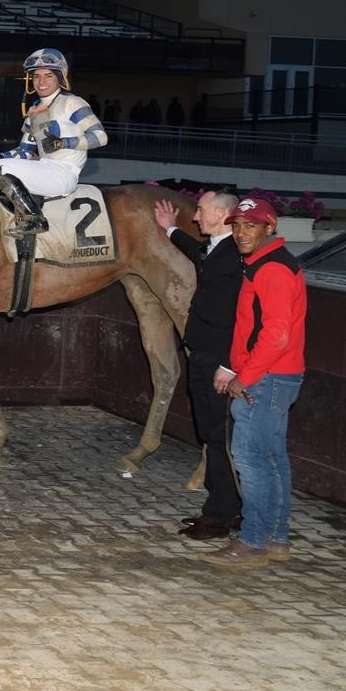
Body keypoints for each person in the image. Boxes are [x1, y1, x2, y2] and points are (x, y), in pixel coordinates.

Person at [207, 197, 307, 569]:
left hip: (265, 378)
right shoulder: (266, 264)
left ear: (270, 227)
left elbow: (275, 334)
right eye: (236, 226)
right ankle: (274, 537)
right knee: (271, 458)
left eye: (250, 225)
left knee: (252, 460)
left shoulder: (272, 269)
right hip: (276, 376)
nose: (240, 233)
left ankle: (252, 542)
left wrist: (243, 377)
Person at [156, 190, 243, 542]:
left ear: (222, 214)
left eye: (201, 211)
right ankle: (221, 508)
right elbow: (198, 253)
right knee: (210, 434)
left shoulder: (234, 254)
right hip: (204, 355)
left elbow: (239, 316)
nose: (195, 216)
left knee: (219, 436)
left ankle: (223, 515)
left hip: (218, 361)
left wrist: (228, 364)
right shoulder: (219, 247)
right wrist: (169, 229)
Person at [0, 49, 108, 235]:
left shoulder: (73, 103)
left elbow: (100, 137)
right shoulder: (34, 109)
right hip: (43, 168)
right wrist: (0, 157)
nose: (41, 82)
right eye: (36, 76)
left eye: (48, 76)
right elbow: (25, 150)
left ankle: (34, 220)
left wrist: (63, 143)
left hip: (64, 173)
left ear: (60, 77)